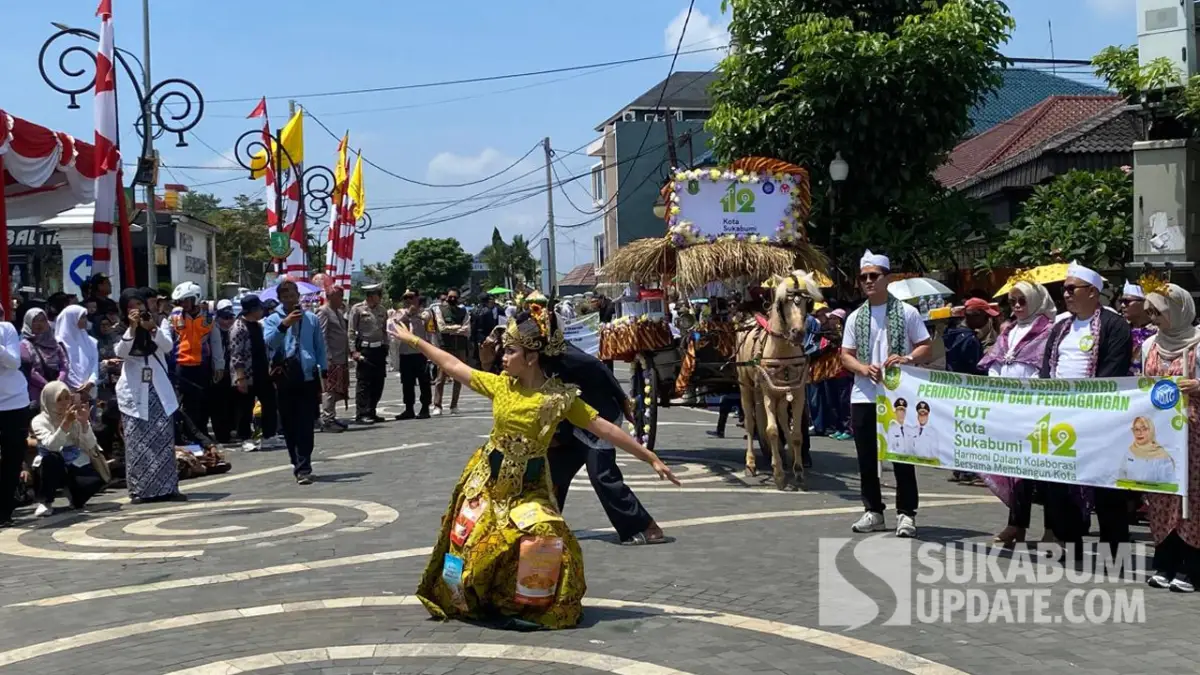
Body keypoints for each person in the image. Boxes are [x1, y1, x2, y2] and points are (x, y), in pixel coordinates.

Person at [398, 310, 679, 628]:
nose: (503, 357)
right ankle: (458, 595)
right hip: (486, 482)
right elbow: (454, 366)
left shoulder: (559, 399)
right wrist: (416, 340)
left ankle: (530, 605)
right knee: (467, 540)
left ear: (531, 357)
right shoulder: (503, 386)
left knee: (545, 534)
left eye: (510, 350)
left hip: (529, 488)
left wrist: (649, 456)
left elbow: (602, 427)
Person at [1039, 261, 1132, 557]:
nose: (1065, 295)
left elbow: (1113, 370)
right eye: (1063, 290)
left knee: (1106, 483)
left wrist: (1086, 405)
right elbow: (1047, 369)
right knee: (1059, 484)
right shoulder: (1061, 326)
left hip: (1098, 417)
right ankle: (1070, 542)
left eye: (1070, 289)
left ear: (1092, 292)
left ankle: (1113, 549)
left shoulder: (1115, 325)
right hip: (1060, 416)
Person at [840, 250, 932, 538]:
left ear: (886, 279)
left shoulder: (906, 312)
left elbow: (925, 346)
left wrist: (906, 359)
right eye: (864, 277)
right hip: (864, 394)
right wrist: (863, 368)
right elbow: (845, 355)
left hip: (898, 395)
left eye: (874, 276)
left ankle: (906, 513)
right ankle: (874, 511)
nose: (868, 281)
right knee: (866, 456)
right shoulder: (856, 317)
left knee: (902, 454)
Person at [550, 341, 666, 546]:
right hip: (571, 422)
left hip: (599, 415)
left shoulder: (565, 356)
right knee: (552, 472)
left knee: (601, 475)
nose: (506, 357)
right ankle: (543, 524)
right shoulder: (525, 363)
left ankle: (645, 527)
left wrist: (622, 399)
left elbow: (600, 368)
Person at [977, 280, 1057, 547]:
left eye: (1022, 300)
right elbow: (995, 362)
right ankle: (1016, 524)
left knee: (1045, 472)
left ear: (1035, 300)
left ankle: (1051, 529)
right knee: (1016, 471)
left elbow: (1045, 368)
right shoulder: (1008, 330)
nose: (1018, 306)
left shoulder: (1049, 331)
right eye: (1012, 302)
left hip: (1037, 409)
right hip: (1008, 408)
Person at [1140, 282, 1200, 592]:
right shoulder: (1150, 345)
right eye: (1149, 311)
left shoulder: (1199, 343)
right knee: (1161, 496)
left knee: (1191, 498)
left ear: (1177, 311)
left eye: (1158, 312)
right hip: (1160, 434)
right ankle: (1165, 561)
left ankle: (1191, 567)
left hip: (1194, 435)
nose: (1152, 319)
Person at [115, 302, 185, 503]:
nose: (138, 312)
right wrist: (133, 327)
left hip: (158, 389)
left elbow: (167, 346)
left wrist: (151, 327)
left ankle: (169, 488)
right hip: (134, 391)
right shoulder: (121, 327)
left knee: (163, 439)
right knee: (138, 443)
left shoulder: (160, 322)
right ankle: (140, 491)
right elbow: (121, 352)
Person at [262, 280, 327, 485]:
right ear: (280, 298)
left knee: (306, 424)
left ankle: (304, 466)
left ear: (298, 296)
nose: (290, 300)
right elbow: (270, 342)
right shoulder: (272, 319)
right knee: (289, 424)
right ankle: (296, 461)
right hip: (285, 376)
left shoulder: (311, 319)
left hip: (307, 375)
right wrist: (285, 324)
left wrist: (323, 369)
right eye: (285, 296)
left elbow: (319, 346)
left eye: (293, 295)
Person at [30, 381, 107, 516]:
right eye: (58, 399)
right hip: (52, 460)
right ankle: (45, 502)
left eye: (67, 398)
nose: (64, 403)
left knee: (94, 480)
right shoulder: (39, 421)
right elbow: (52, 446)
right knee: (50, 460)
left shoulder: (75, 414)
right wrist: (65, 424)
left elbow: (90, 445)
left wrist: (84, 424)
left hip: (74, 459)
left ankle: (74, 495)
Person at [165, 282, 224, 439]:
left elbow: (216, 343)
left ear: (196, 299)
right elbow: (166, 340)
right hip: (179, 366)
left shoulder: (209, 319)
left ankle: (200, 434)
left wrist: (219, 365)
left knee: (199, 403)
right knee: (176, 402)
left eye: (187, 300)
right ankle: (178, 434)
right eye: (181, 301)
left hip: (201, 366)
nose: (184, 304)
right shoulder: (173, 318)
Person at [230, 295, 281, 451]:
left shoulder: (258, 326)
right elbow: (236, 354)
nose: (262, 311)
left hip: (262, 372)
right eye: (259, 308)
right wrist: (240, 377)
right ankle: (245, 438)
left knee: (270, 403)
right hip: (246, 374)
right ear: (252, 310)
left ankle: (269, 435)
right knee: (245, 407)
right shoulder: (238, 327)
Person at [0, 305, 30, 527]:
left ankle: (5, 510)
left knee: (12, 458)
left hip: (13, 402)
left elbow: (14, 362)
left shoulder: (7, 329)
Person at [348, 283, 389, 425]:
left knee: (378, 382)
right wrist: (353, 351)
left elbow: (384, 330)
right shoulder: (357, 309)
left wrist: (386, 346)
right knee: (364, 383)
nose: (380, 298)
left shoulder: (382, 310)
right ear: (371, 296)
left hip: (379, 349)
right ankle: (362, 413)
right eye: (379, 295)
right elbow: (351, 331)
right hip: (365, 349)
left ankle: (372, 410)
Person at [317, 286, 351, 432]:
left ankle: (332, 416)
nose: (341, 299)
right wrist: (326, 357)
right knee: (329, 389)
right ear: (330, 297)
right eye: (339, 296)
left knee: (337, 388)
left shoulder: (338, 312)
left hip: (340, 357)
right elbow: (322, 336)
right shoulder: (323, 311)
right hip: (331, 358)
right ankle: (327, 420)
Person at [395, 290, 433, 420]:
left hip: (421, 352)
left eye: (411, 297)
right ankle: (409, 408)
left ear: (417, 298)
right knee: (407, 383)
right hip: (406, 352)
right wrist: (408, 313)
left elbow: (430, 332)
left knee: (424, 381)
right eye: (405, 298)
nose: (408, 300)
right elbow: (395, 324)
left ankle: (425, 407)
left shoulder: (425, 313)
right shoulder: (400, 313)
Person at [19, 308, 67, 412]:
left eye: (42, 320)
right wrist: (49, 386)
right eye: (35, 320)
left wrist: (59, 381)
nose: (39, 324)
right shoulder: (24, 345)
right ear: (28, 323)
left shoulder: (55, 343)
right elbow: (30, 371)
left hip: (57, 394)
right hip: (36, 396)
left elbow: (64, 364)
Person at [433, 288, 471, 416]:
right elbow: (441, 328)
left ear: (458, 298)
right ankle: (437, 405)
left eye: (455, 297)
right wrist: (456, 328)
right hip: (445, 347)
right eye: (450, 296)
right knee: (440, 378)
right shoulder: (440, 310)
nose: (452, 299)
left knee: (459, 378)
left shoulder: (463, 311)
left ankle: (454, 405)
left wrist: (454, 329)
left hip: (460, 347)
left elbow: (466, 328)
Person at [55, 305, 98, 401]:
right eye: (81, 317)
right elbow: (65, 367)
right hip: (68, 392)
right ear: (71, 319)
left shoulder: (90, 341)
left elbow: (94, 363)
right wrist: (78, 387)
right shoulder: (59, 343)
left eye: (85, 317)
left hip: (89, 390)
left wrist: (91, 382)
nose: (85, 320)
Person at [209, 300, 237, 444]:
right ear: (218, 317)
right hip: (217, 372)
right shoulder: (213, 330)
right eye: (224, 318)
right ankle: (222, 433)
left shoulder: (235, 330)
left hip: (232, 372)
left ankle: (231, 429)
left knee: (231, 402)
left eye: (230, 317)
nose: (228, 321)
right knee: (218, 404)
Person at [1121, 281, 1157, 375]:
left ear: (1145, 303)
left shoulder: (1159, 330)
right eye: (1121, 301)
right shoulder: (1119, 328)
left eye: (1127, 301)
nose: (1122, 305)